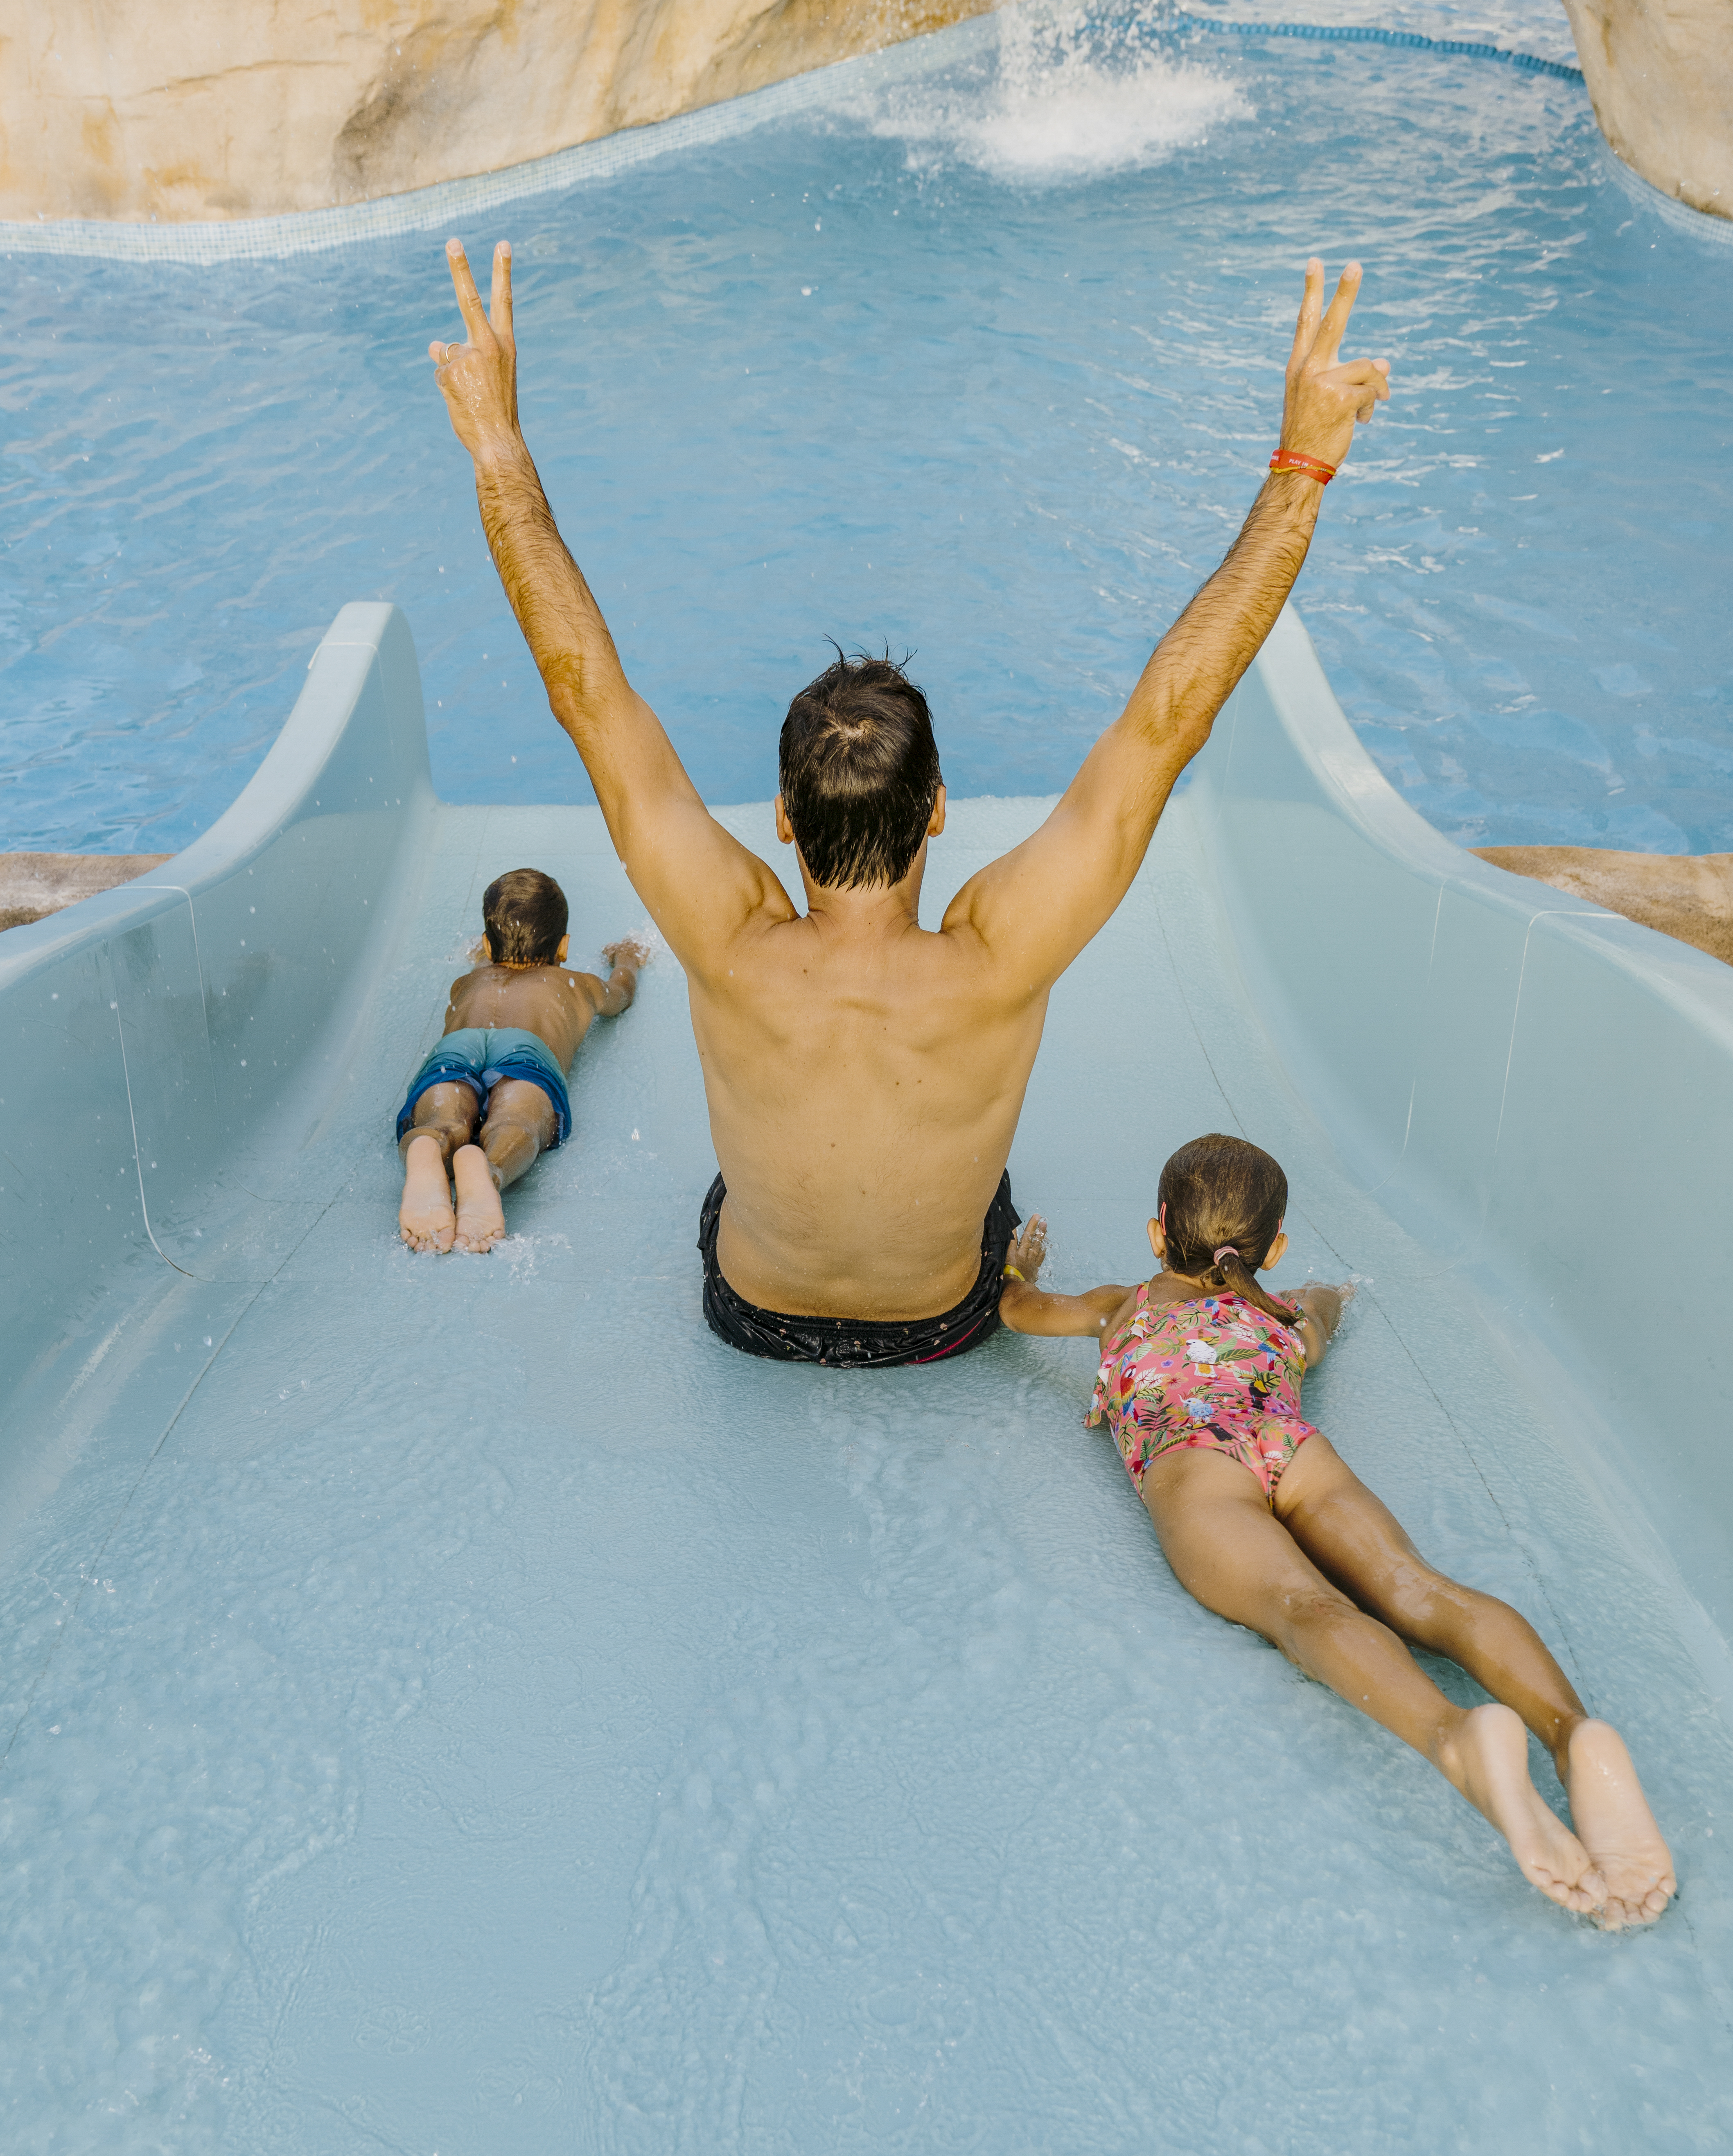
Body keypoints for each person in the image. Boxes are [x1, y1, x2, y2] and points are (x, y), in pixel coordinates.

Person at [426, 235, 1389, 1362]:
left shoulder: (725, 932)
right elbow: (1169, 720)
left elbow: (582, 689)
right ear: (937, 807)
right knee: (986, 1201)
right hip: (941, 1320)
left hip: (755, 1313)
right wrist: (1302, 466)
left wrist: (496, 442)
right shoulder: (1000, 952)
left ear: (783, 816)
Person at [996, 1132, 1676, 1930]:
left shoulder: (1122, 1304)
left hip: (1193, 1462)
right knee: (1417, 1587)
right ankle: (1570, 1733)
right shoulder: (1282, 1319)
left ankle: (1455, 1738)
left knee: (1304, 1610)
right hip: (1288, 1443)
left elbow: (1018, 1312)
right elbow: (1322, 1306)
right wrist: (1328, 1297)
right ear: (1272, 1248)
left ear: (1157, 1233)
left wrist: (1019, 1269)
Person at [397, 865, 644, 1254]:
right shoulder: (575, 984)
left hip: (457, 1048)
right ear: (562, 948)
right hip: (527, 1053)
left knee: (444, 1116)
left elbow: (485, 962)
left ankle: (429, 1144)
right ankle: (488, 1170)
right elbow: (621, 995)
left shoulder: (470, 982)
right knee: (518, 1121)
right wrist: (627, 960)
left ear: (487, 947)